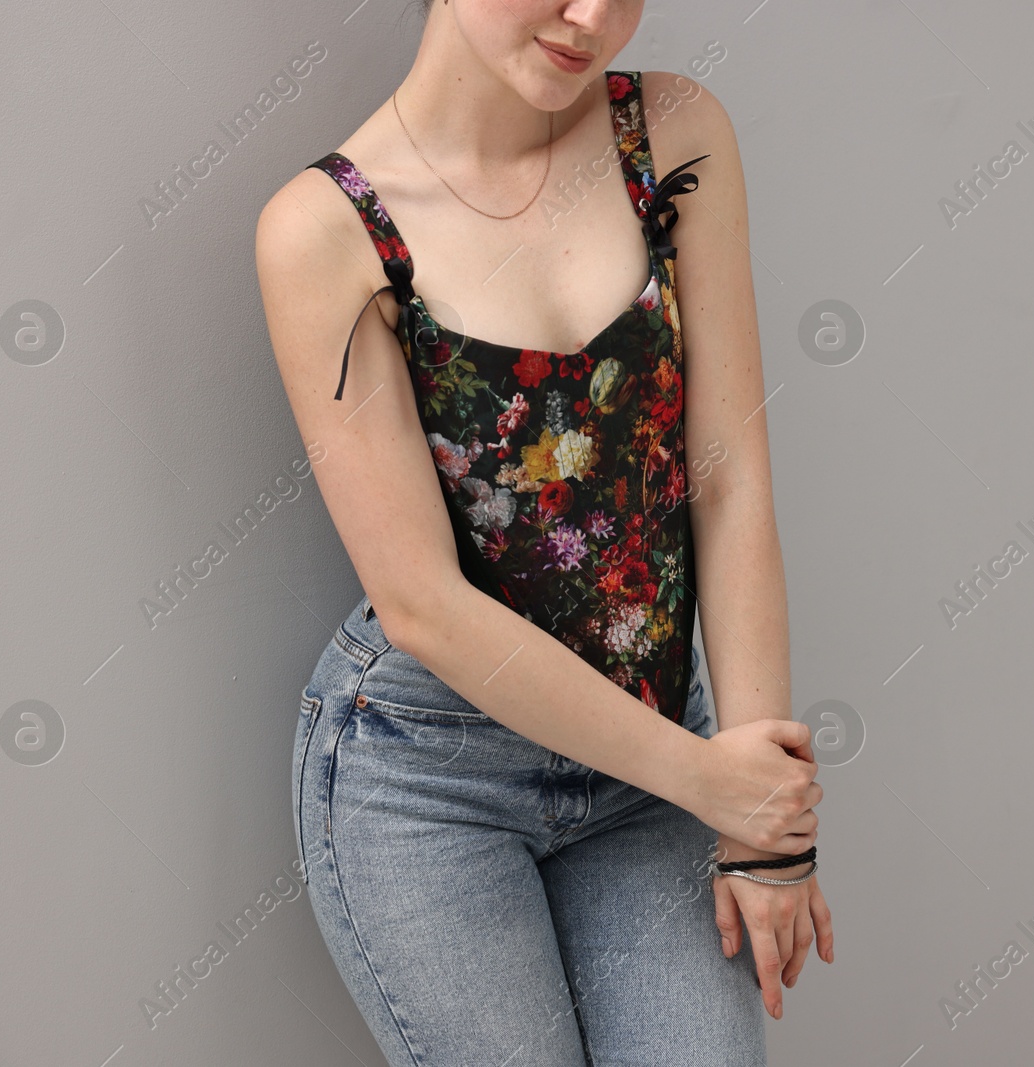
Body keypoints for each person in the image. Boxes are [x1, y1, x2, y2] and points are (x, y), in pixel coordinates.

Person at [255, 1, 833, 1062]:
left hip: (648, 762)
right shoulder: (325, 230)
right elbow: (421, 602)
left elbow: (730, 478)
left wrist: (760, 823)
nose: (592, 16)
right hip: (430, 775)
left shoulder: (672, 134)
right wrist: (714, 781)